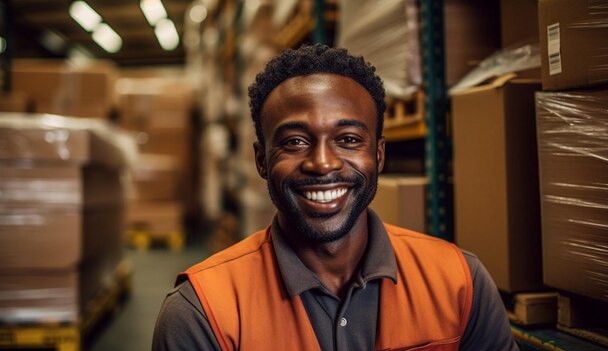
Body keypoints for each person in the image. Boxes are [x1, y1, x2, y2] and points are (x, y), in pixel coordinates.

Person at [152, 44, 518, 351]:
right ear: (262, 161)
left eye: (348, 139)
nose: (322, 163)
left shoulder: (459, 283)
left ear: (378, 156)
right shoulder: (202, 311)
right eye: (295, 142)